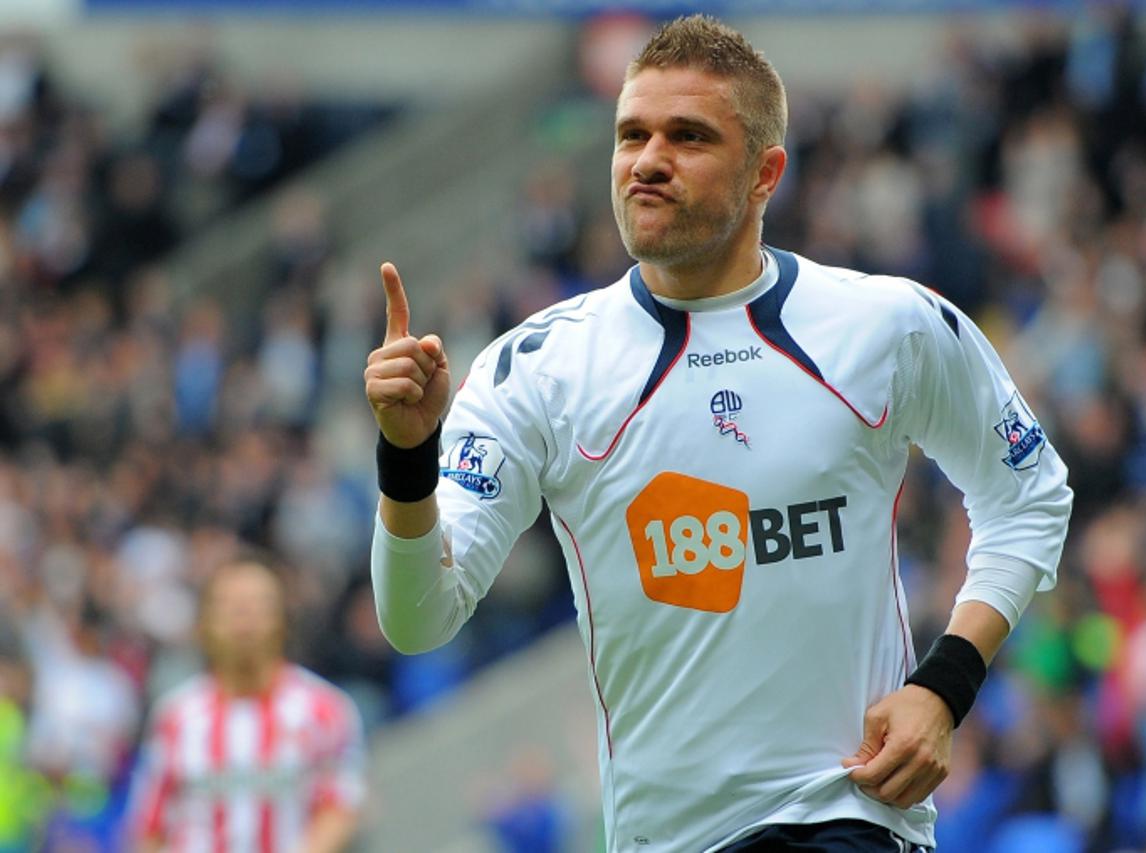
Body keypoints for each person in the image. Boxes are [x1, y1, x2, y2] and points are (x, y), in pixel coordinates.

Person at [366, 15, 1072, 852]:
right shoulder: (540, 366)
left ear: (765, 171)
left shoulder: (888, 325)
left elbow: (1029, 493)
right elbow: (418, 618)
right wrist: (408, 455)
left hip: (846, 815)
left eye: (688, 136)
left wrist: (944, 685)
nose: (649, 159)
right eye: (632, 134)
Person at [127, 558, 365, 853]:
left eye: (257, 603)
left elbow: (340, 809)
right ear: (204, 623)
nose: (244, 616)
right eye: (230, 605)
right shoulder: (175, 716)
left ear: (282, 618)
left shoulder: (325, 709)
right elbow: (150, 828)